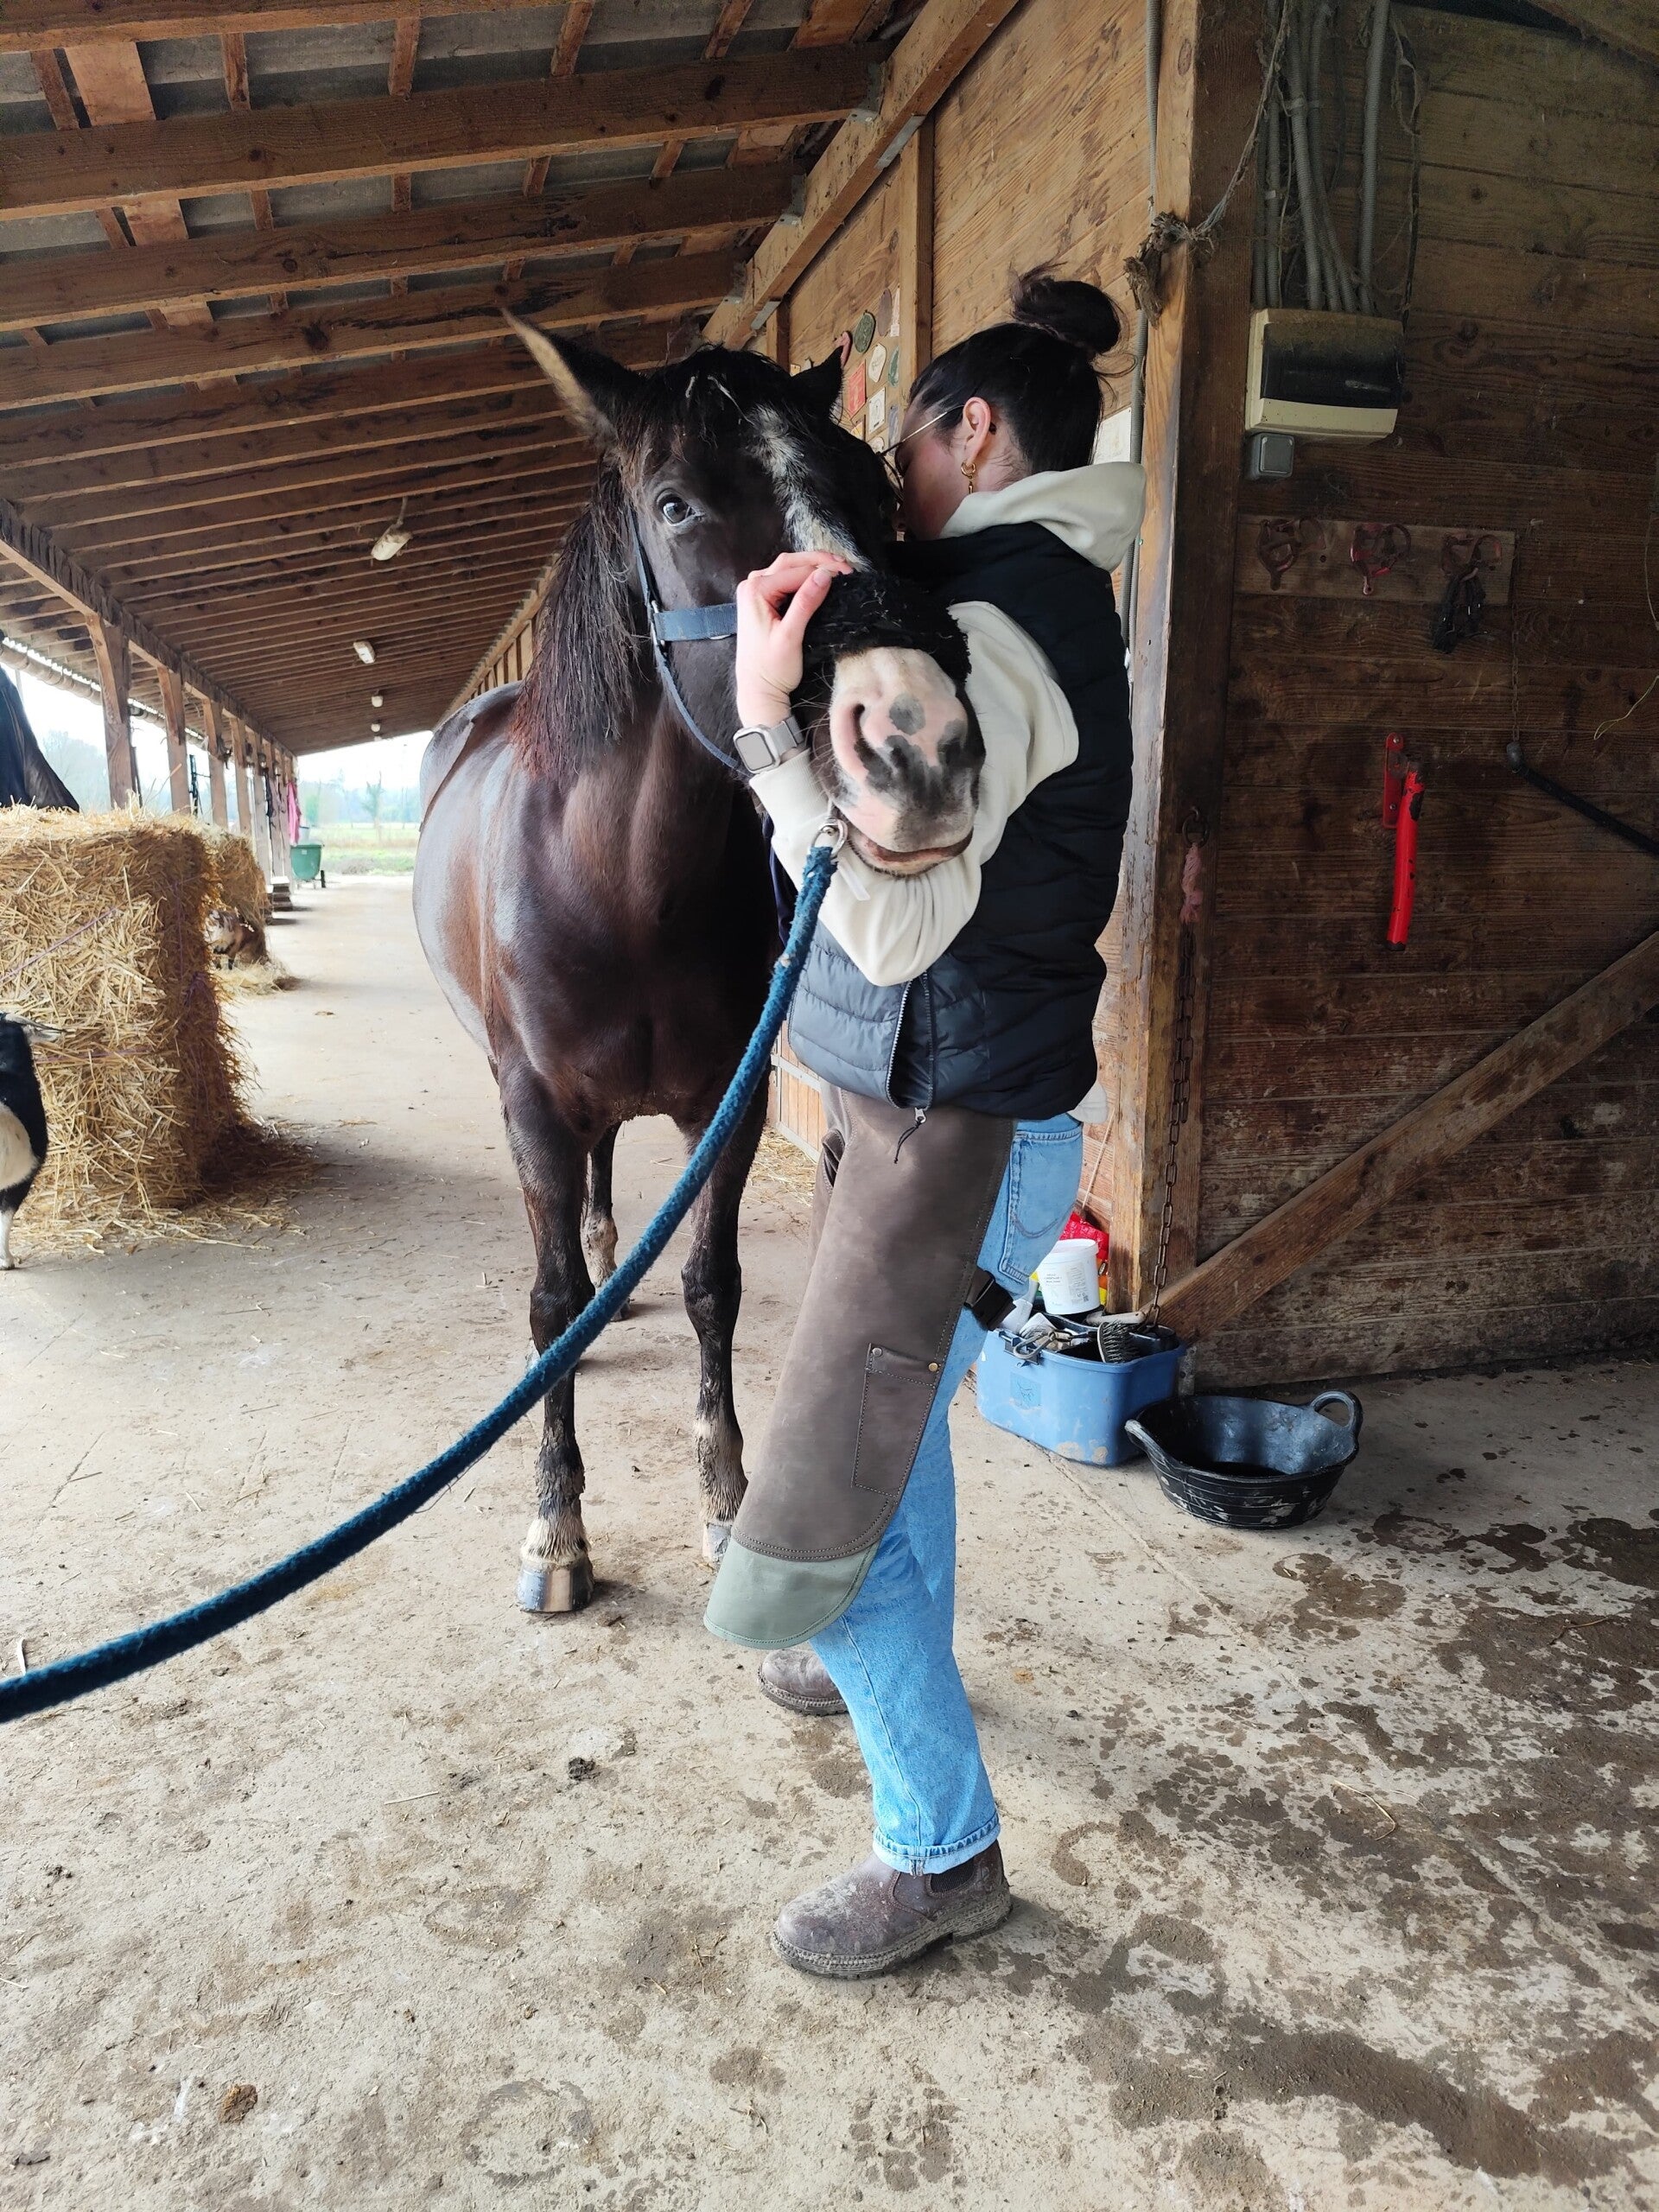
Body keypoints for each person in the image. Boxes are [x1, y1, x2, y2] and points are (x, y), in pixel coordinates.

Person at [706, 269, 1146, 1979]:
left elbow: (886, 926)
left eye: (909, 445)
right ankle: (871, 1668)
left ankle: (940, 1853)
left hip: (963, 1142)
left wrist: (765, 720)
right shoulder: (986, 599)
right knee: (901, 1442)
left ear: (977, 431)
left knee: (843, 1498)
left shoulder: (1001, 629)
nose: (894, 480)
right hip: (930, 1120)